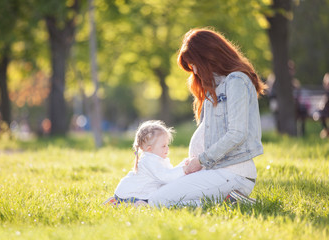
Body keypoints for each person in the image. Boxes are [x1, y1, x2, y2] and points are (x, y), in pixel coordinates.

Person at [148, 28, 266, 207]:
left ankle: (235, 202)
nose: (193, 70)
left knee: (159, 201)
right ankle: (229, 201)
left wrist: (200, 161)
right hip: (213, 170)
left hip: (232, 173)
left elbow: (237, 133)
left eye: (194, 64)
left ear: (208, 57)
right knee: (155, 191)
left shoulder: (236, 81)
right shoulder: (213, 88)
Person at [103, 120, 187, 207]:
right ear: (149, 149)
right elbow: (166, 177)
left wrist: (183, 165)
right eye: (163, 146)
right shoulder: (150, 161)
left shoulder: (155, 159)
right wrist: (184, 169)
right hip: (132, 194)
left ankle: (116, 201)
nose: (167, 148)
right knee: (146, 205)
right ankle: (119, 204)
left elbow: (170, 173)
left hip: (127, 192)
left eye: (167, 145)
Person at [318, 73, 329, 138]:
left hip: (325, 111)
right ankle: (326, 130)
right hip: (325, 112)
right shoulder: (326, 93)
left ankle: (326, 131)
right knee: (321, 113)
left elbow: (324, 102)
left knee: (321, 113)